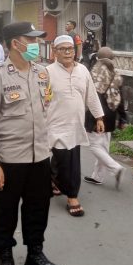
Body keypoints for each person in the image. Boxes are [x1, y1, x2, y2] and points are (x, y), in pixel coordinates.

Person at [0, 21, 60, 265]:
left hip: (39, 157)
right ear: (16, 43)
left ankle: (35, 254)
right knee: (5, 212)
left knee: (38, 208)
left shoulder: (41, 74)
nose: (36, 44)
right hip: (10, 160)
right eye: (31, 39)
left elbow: (46, 109)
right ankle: (5, 259)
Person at [46, 35, 104, 217]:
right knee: (67, 160)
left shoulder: (83, 71)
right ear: (55, 52)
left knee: (65, 157)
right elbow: (40, 99)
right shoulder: (47, 72)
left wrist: (99, 117)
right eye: (62, 49)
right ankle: (72, 196)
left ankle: (56, 182)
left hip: (76, 124)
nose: (67, 52)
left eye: (70, 48)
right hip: (54, 124)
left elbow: (91, 95)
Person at [83, 47, 127, 189]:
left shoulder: (95, 72)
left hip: (97, 113)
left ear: (98, 58)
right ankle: (98, 177)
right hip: (111, 113)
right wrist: (123, 118)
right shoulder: (116, 73)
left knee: (94, 145)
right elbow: (120, 97)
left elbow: (90, 96)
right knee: (104, 146)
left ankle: (115, 168)